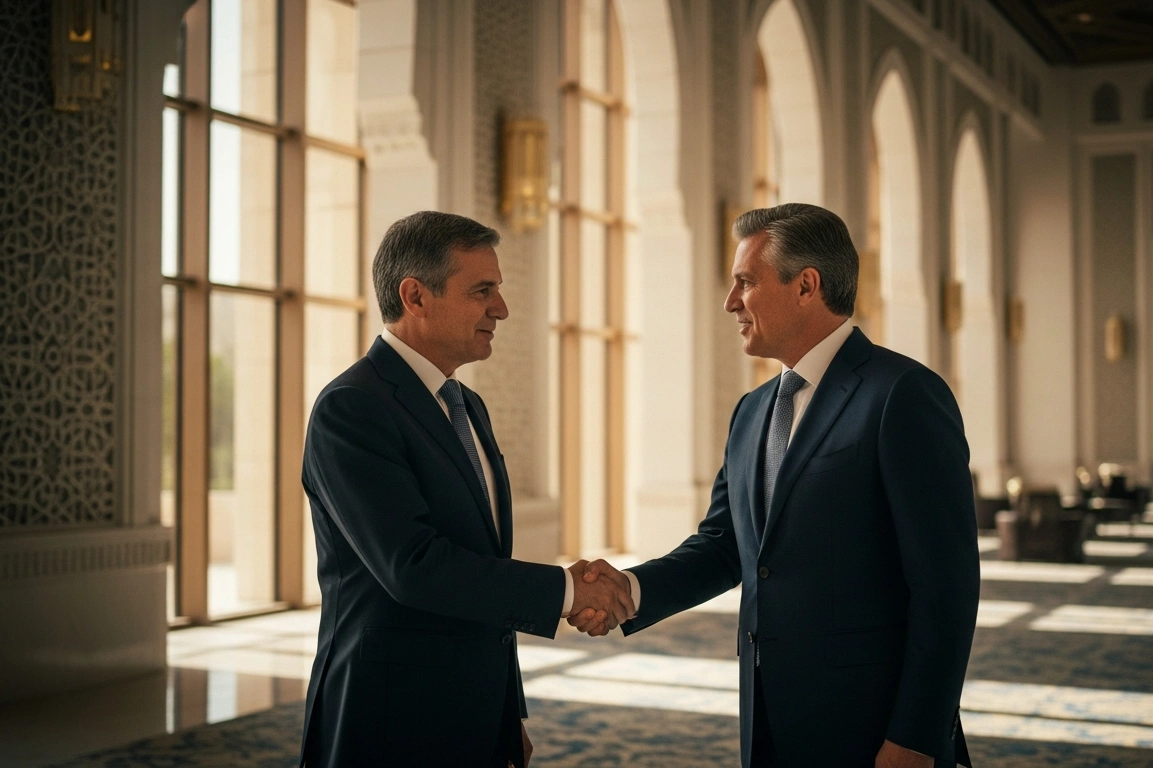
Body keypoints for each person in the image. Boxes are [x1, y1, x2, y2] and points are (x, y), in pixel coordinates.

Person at [571, 204, 980, 767]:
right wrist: (629, 592)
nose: (730, 301)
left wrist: (916, 735)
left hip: (874, 727)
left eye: (745, 281)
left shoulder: (903, 394)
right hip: (768, 720)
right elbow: (724, 546)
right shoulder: (752, 410)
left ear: (806, 285)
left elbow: (947, 586)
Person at [299, 211, 633, 768]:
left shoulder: (466, 405)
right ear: (415, 296)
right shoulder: (352, 408)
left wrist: (508, 713)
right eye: (482, 291)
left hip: (475, 713)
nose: (500, 308)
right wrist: (569, 592)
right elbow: (414, 567)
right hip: (387, 717)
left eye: (497, 290)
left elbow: (481, 567)